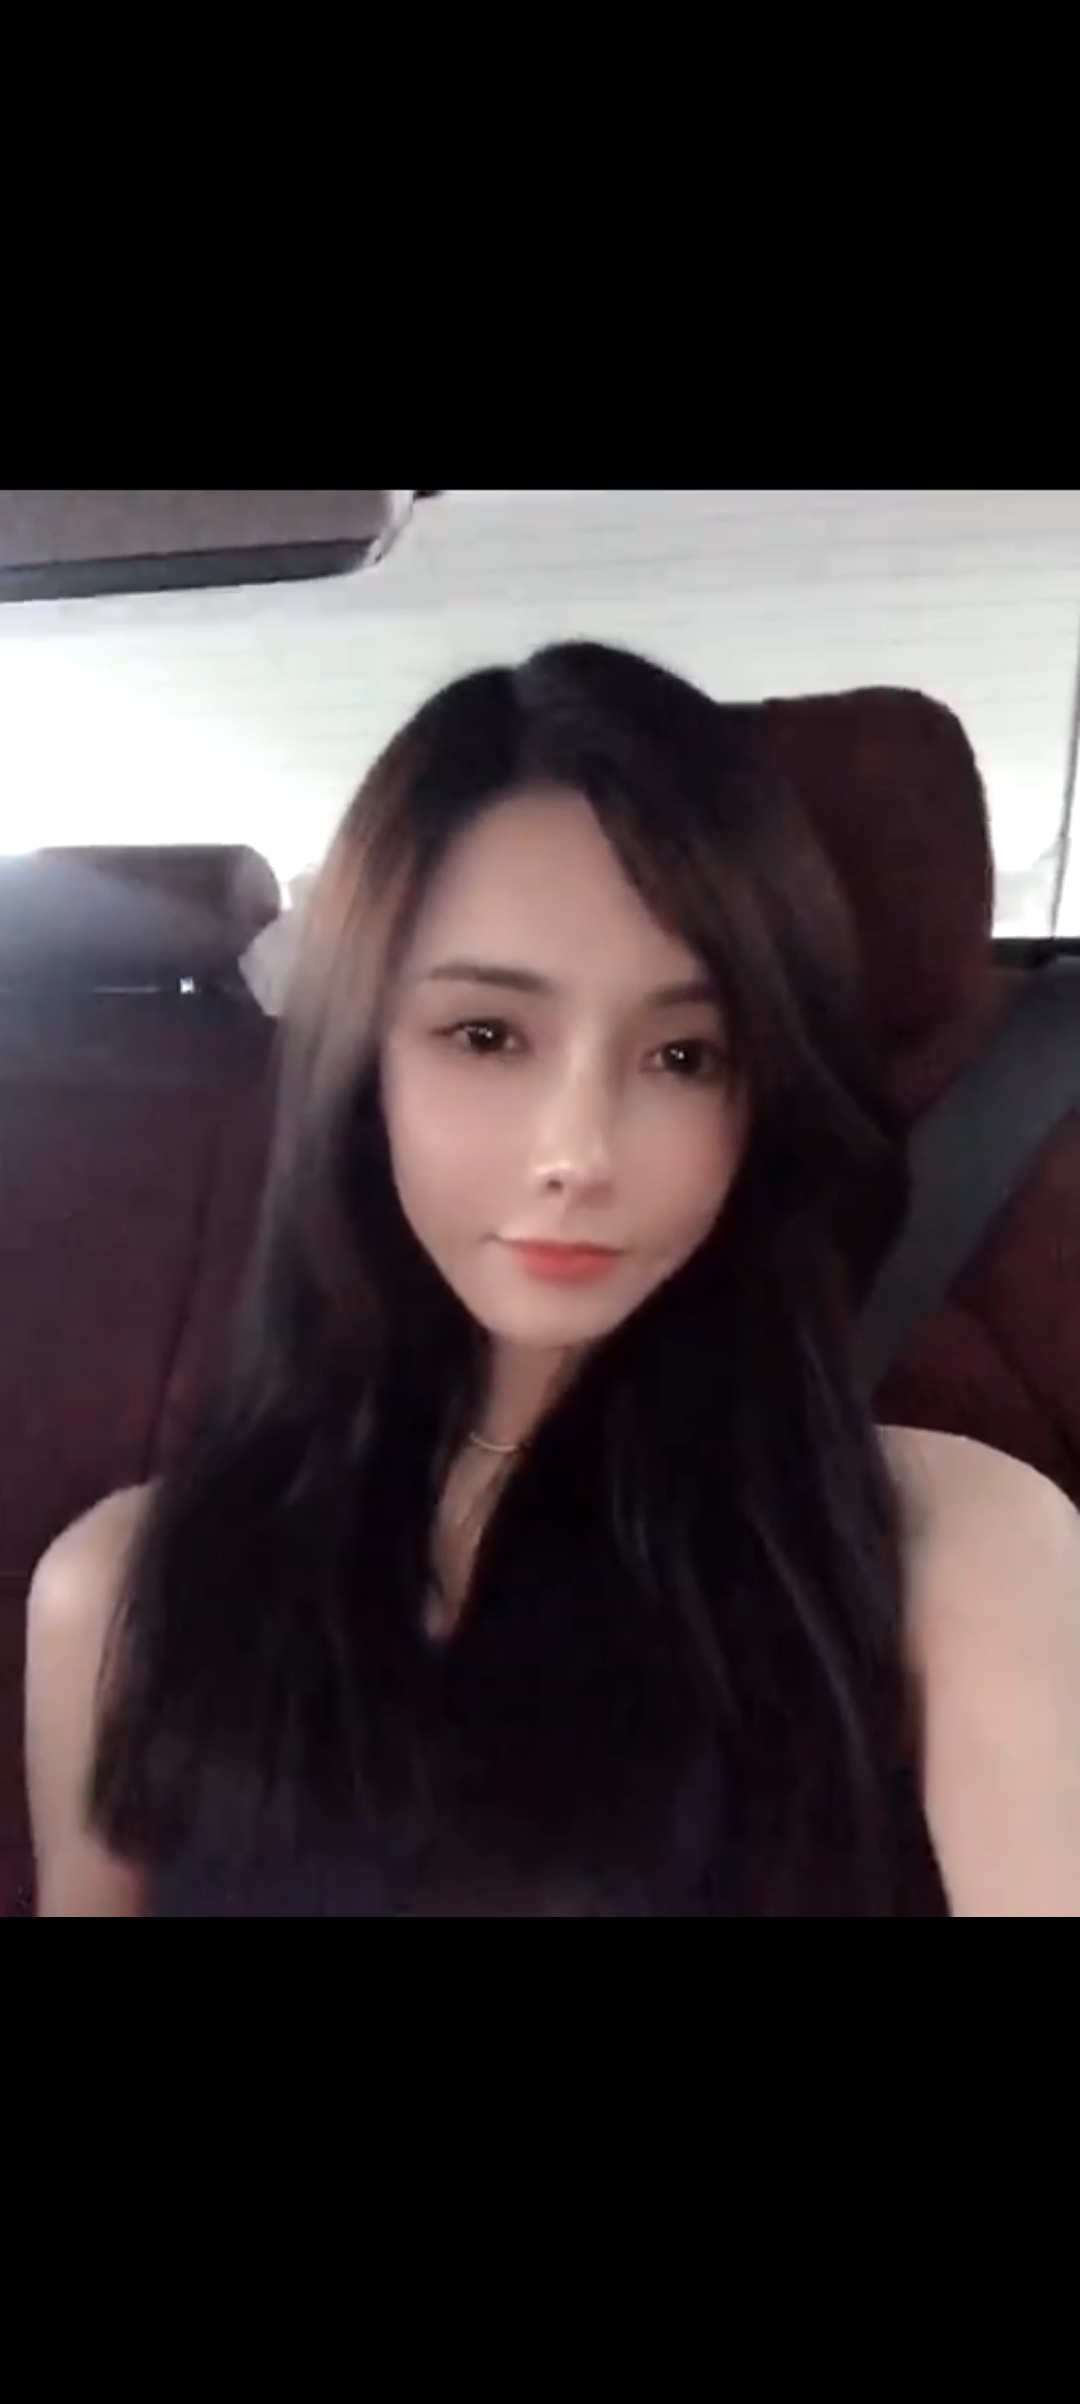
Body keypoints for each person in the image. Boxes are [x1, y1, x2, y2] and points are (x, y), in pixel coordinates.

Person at [24, 642, 1080, 1917]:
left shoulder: (948, 1550)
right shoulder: (121, 1593)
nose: (577, 1151)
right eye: (487, 1035)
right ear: (363, 1068)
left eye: (685, 1054)